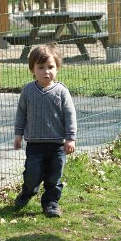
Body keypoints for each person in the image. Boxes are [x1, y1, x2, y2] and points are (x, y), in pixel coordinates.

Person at [14, 43, 77, 218]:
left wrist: (70, 138)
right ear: (32, 69)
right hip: (35, 145)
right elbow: (21, 113)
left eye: (50, 67)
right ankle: (28, 191)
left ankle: (51, 203)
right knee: (32, 174)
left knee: (53, 178)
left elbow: (70, 115)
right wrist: (18, 134)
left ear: (57, 68)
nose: (46, 71)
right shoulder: (28, 91)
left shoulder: (61, 92)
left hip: (57, 145)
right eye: (40, 67)